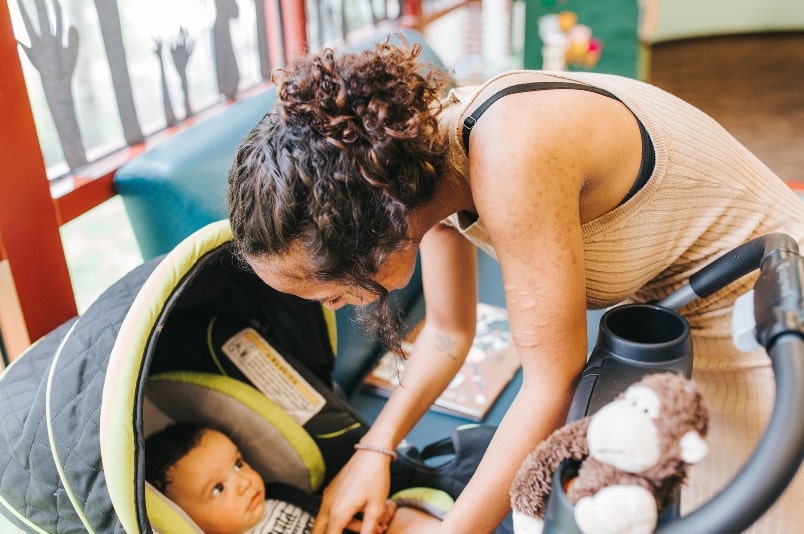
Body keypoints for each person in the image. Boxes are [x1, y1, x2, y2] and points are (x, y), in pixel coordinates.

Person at [226, 36, 804, 534]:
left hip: (767, 303)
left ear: (379, 232)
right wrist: (372, 452)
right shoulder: (418, 173)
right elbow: (450, 334)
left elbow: (552, 383)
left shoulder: (509, 154)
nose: (332, 306)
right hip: (687, 308)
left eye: (326, 293)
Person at [145, 422, 440, 534]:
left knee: (405, 516)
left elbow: (322, 516)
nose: (244, 482)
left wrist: (365, 521)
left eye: (238, 464)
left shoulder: (276, 492)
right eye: (219, 488)